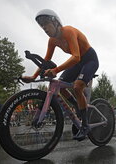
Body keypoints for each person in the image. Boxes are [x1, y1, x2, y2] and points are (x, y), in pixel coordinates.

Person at [22, 9, 99, 141]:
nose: (44, 28)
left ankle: (85, 126)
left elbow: (75, 56)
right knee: (60, 87)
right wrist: (33, 77)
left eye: (46, 23)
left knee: (77, 87)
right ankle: (77, 106)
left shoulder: (68, 31)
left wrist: (56, 70)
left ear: (56, 22)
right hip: (78, 62)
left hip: (89, 59)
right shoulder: (52, 41)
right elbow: (46, 61)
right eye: (42, 26)